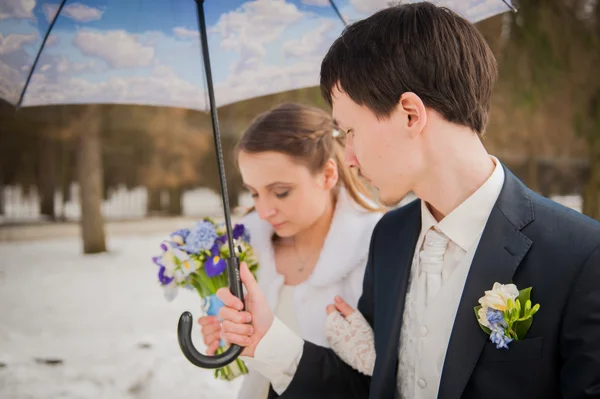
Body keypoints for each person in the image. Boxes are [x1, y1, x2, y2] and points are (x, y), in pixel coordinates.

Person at [214, 3, 600, 399]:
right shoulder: (391, 238)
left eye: (350, 131)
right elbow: (366, 385)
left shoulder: (583, 257)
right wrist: (267, 340)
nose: (347, 158)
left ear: (410, 115)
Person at [196, 102, 385, 398]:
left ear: (327, 175)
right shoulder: (248, 248)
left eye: (281, 192)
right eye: (254, 193)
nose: (264, 210)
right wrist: (229, 336)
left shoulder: (377, 247)